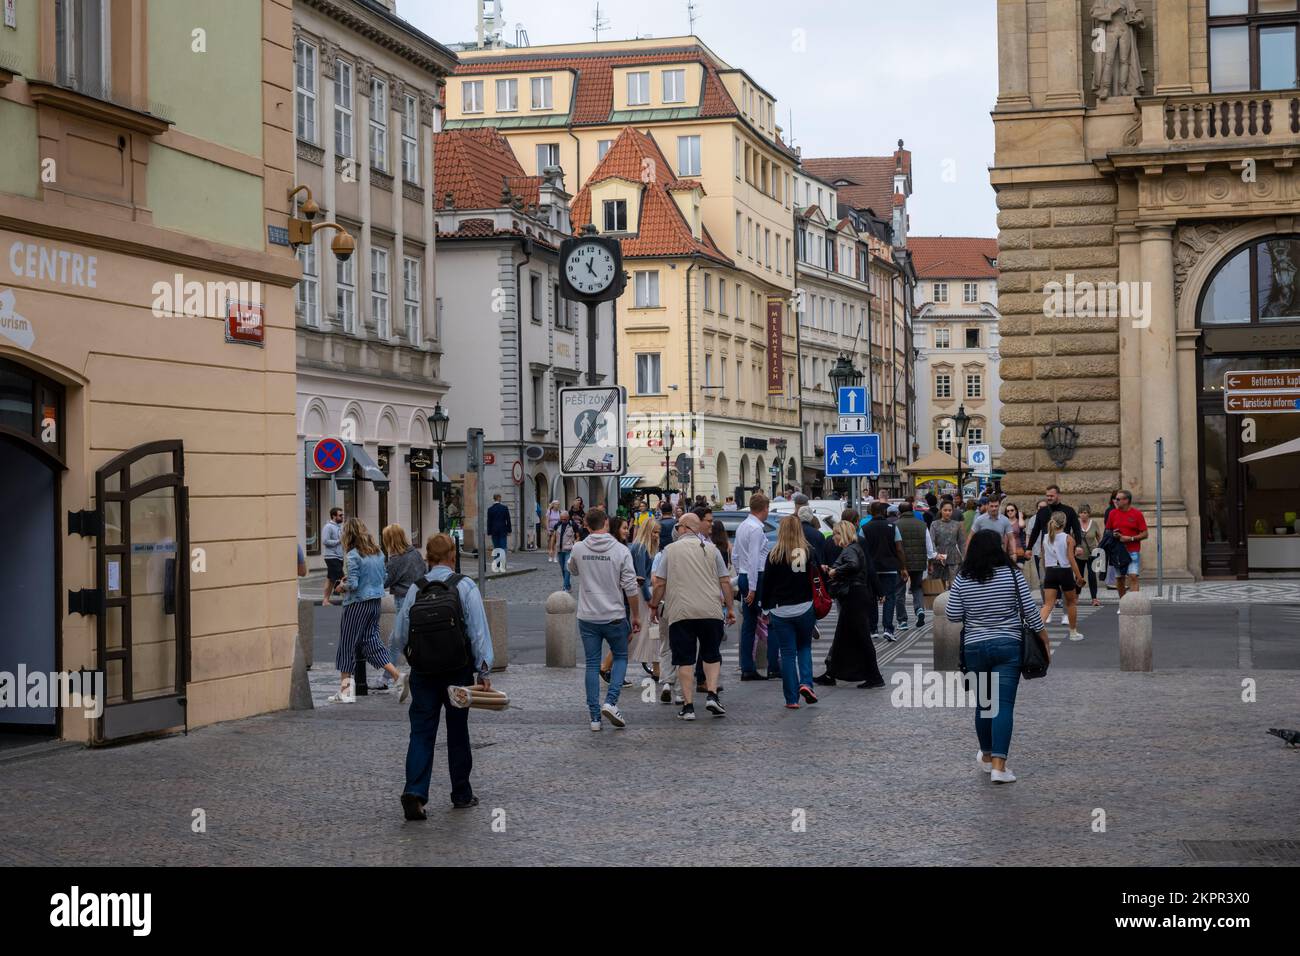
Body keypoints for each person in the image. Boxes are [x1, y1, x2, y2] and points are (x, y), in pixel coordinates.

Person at [394, 533, 493, 818]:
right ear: (452, 556)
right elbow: (478, 632)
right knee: (458, 730)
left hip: (423, 671)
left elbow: (399, 634)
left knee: (421, 731)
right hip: (457, 669)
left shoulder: (416, 589)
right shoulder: (465, 586)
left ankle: (415, 790)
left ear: (428, 557)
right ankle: (461, 792)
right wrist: (483, 670)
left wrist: (407, 660)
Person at [944, 529, 1050, 785]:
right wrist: (1045, 641)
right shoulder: (1013, 575)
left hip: (975, 647)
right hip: (1008, 645)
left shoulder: (963, 578)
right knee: (1003, 705)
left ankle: (988, 757)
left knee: (984, 705)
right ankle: (1000, 768)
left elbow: (952, 614)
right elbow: (1031, 613)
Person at [650, 513, 736, 720]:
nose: (677, 529)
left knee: (685, 659)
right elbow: (725, 581)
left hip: (682, 612)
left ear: (686, 527)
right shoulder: (712, 549)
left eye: (679, 525)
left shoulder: (670, 551)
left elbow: (660, 583)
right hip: (710, 610)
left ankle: (688, 706)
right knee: (711, 654)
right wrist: (730, 608)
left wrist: (654, 606)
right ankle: (712, 695)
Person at [567, 508, 641, 731]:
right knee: (620, 657)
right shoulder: (620, 550)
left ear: (587, 526)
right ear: (606, 523)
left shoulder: (578, 548)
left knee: (591, 664)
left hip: (588, 615)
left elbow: (572, 569)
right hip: (614, 614)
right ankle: (610, 701)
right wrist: (636, 615)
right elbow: (630, 586)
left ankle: (594, 717)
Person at [329, 518, 406, 703]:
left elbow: (353, 584)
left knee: (347, 646)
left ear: (348, 535)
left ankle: (346, 691)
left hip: (357, 604)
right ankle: (397, 676)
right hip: (374, 603)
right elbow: (384, 576)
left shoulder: (353, 555)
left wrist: (341, 586)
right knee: (371, 642)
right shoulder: (377, 553)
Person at [816, 519, 885, 688]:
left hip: (854, 597)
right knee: (842, 637)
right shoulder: (853, 548)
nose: (833, 538)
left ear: (843, 534)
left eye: (836, 534)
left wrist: (834, 571)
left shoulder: (850, 549)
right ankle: (831, 673)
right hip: (855, 596)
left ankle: (875, 676)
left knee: (861, 637)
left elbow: (852, 565)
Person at [760, 515, 820, 708]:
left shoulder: (774, 554)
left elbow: (766, 584)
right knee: (804, 648)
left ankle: (791, 698)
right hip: (804, 607)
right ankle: (807, 683)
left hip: (781, 610)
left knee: (787, 653)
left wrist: (765, 609)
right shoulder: (808, 552)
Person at [733, 492, 775, 681]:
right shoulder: (756, 529)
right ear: (764, 508)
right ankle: (774, 664)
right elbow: (754, 558)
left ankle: (747, 667)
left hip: (744, 574)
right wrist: (752, 587)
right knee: (769, 619)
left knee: (749, 624)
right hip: (755, 576)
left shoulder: (743, 525)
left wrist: (740, 575)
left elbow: (735, 555)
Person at [382, 523, 427, 668]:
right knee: (411, 635)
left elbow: (385, 581)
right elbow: (424, 573)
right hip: (420, 597)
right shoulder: (415, 553)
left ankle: (387, 676)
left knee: (396, 638)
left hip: (403, 599)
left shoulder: (395, 560)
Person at [1037, 511, 1086, 641]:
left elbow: (1043, 558)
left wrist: (1047, 573)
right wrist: (1079, 577)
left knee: (1048, 605)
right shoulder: (1068, 538)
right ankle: (1073, 632)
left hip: (1050, 571)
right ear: (1064, 523)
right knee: (1071, 603)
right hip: (1064, 571)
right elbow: (1071, 558)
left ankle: (1036, 631)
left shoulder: (1046, 537)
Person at [863, 501, 908, 641]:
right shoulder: (892, 527)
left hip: (871, 569)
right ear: (884, 512)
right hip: (889, 568)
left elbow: (861, 548)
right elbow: (899, 549)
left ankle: (873, 629)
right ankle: (888, 628)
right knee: (889, 597)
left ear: (870, 512)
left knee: (871, 598)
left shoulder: (864, 528)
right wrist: (903, 568)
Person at [628, 515, 662, 680]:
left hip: (643, 592)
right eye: (654, 532)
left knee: (650, 633)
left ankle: (657, 669)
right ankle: (607, 665)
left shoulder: (640, 547)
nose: (656, 535)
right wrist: (650, 601)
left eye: (658, 533)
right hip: (643, 594)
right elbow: (642, 577)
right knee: (644, 632)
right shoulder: (641, 548)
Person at [1104, 489, 1148, 602]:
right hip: (1118, 551)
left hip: (1133, 550)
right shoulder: (1112, 513)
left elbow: (1145, 533)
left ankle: (1134, 603)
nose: (1115, 501)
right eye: (1115, 499)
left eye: (1118, 499)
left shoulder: (1137, 514)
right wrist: (1113, 534)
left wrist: (1130, 538)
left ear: (1126, 500)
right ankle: (1123, 603)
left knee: (1133, 576)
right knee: (1120, 579)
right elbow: (1107, 531)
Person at [894, 502, 932, 631]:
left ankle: (902, 620)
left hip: (901, 564)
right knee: (917, 587)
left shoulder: (895, 525)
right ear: (913, 510)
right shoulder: (922, 525)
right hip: (918, 562)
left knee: (899, 591)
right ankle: (919, 609)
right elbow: (929, 546)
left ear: (899, 512)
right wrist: (930, 561)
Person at [930, 500, 967, 589]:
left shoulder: (957, 524)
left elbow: (962, 542)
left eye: (950, 510)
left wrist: (964, 557)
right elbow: (931, 541)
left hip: (953, 556)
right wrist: (935, 555)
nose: (947, 512)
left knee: (954, 583)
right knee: (939, 584)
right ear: (940, 510)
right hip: (939, 556)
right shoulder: (934, 524)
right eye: (945, 510)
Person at [1077, 504, 1103, 606]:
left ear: (1089, 514)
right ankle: (1076, 596)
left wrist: (1100, 550)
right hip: (1079, 554)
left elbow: (1099, 537)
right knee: (1079, 576)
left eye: (1085, 513)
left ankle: (1094, 598)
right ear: (1078, 514)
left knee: (1092, 576)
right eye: (1081, 513)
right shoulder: (1076, 524)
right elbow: (1071, 537)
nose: (1083, 515)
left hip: (1092, 553)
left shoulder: (1094, 523)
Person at [321, 507, 345, 606]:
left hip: (339, 556)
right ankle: (347, 599)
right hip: (331, 556)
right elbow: (325, 541)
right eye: (340, 515)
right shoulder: (328, 527)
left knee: (330, 579)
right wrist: (339, 541)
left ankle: (325, 600)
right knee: (343, 578)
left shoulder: (339, 527)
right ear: (334, 516)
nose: (342, 517)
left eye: (342, 515)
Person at [555, 511, 581, 591]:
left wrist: (575, 543)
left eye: (565, 519)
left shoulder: (573, 525)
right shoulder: (558, 525)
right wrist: (552, 548)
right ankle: (568, 585)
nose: (563, 521)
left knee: (567, 568)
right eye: (562, 519)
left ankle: (565, 587)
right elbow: (554, 536)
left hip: (569, 549)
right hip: (560, 549)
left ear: (568, 518)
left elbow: (578, 536)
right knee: (563, 568)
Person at [486, 494, 511, 567]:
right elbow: (508, 520)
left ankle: (497, 563)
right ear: (499, 498)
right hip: (503, 530)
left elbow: (489, 521)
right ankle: (502, 563)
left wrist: (489, 531)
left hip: (494, 530)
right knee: (503, 547)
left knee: (496, 547)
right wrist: (509, 530)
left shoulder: (490, 509)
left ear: (494, 499)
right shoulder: (504, 508)